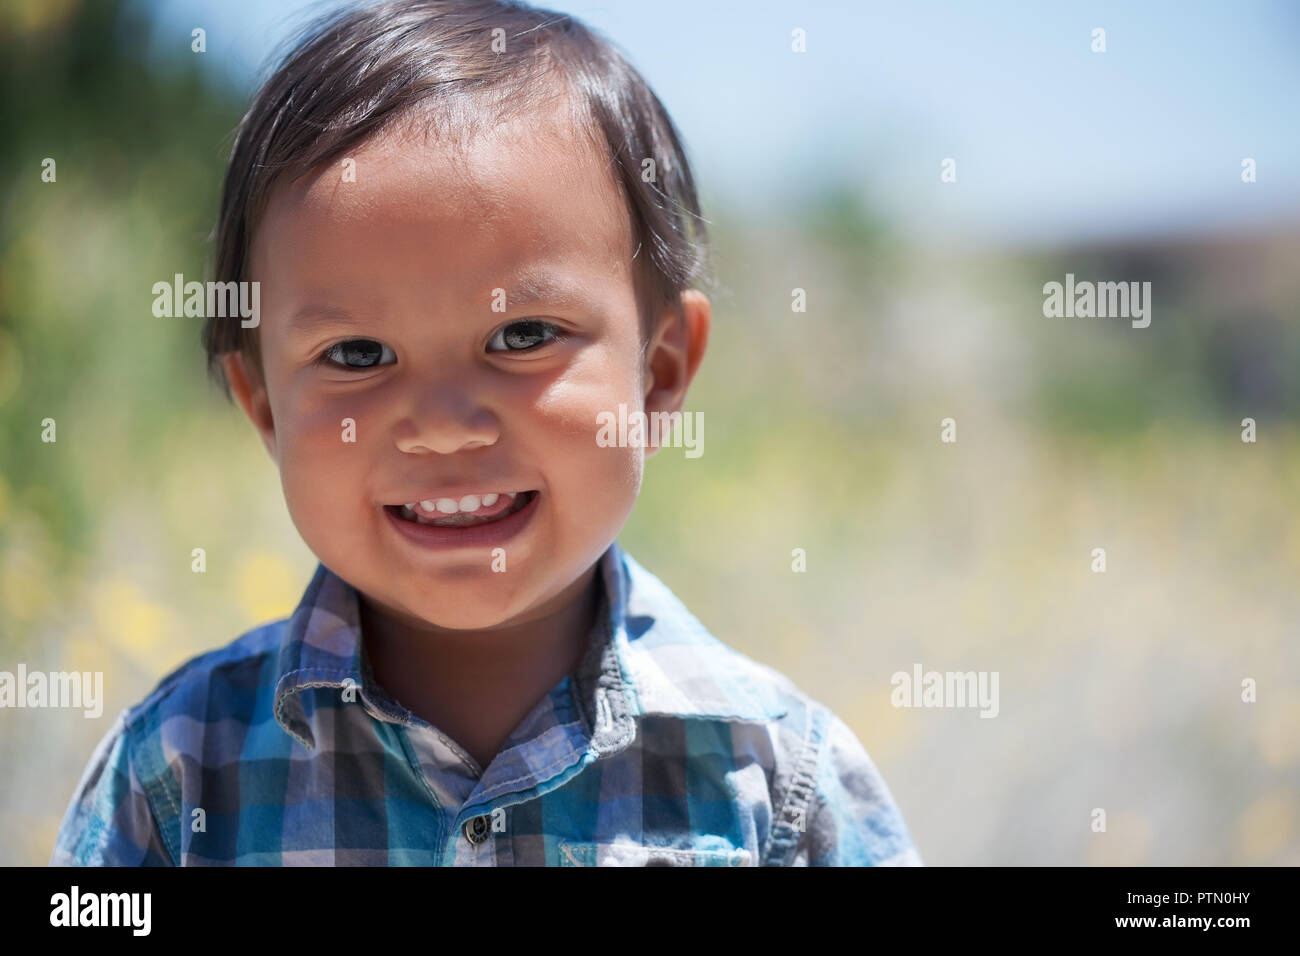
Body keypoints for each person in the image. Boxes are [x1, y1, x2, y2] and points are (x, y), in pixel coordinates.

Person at [51, 0, 921, 866]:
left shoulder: (775, 783)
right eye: (357, 353)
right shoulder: (178, 776)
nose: (440, 427)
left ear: (657, 374)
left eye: (523, 336)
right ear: (265, 407)